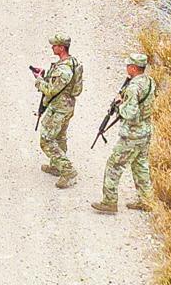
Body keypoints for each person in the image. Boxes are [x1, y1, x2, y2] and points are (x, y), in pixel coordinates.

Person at [91, 53, 156, 214]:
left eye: (128, 65)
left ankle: (109, 202)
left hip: (132, 135)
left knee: (114, 166)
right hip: (145, 131)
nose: (126, 67)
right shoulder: (149, 81)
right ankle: (146, 201)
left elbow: (130, 113)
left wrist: (120, 104)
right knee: (140, 165)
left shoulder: (133, 88)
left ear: (134, 68)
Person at [30, 33, 83, 189]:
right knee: (60, 136)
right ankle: (56, 166)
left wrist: (39, 81)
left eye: (55, 45)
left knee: (46, 141)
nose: (52, 47)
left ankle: (68, 170)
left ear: (61, 47)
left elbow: (51, 90)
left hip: (59, 108)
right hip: (66, 106)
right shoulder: (72, 62)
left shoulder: (64, 70)